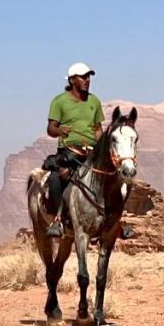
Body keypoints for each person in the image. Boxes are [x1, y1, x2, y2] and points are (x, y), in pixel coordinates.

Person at [44, 62, 105, 237]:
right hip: (69, 152)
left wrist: (100, 147)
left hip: (91, 152)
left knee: (113, 178)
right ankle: (57, 220)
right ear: (72, 80)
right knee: (57, 177)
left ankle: (114, 223)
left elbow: (98, 128)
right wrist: (60, 131)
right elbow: (51, 129)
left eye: (89, 77)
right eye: (83, 77)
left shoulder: (94, 101)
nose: (87, 80)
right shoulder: (59, 101)